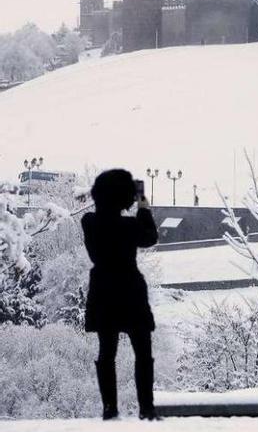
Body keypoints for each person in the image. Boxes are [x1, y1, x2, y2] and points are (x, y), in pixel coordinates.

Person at [82, 169, 160, 421]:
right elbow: (150, 237)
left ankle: (109, 409)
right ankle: (146, 409)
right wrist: (143, 206)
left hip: (103, 290)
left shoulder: (89, 222)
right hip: (130, 290)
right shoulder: (129, 225)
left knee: (107, 352)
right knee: (143, 352)